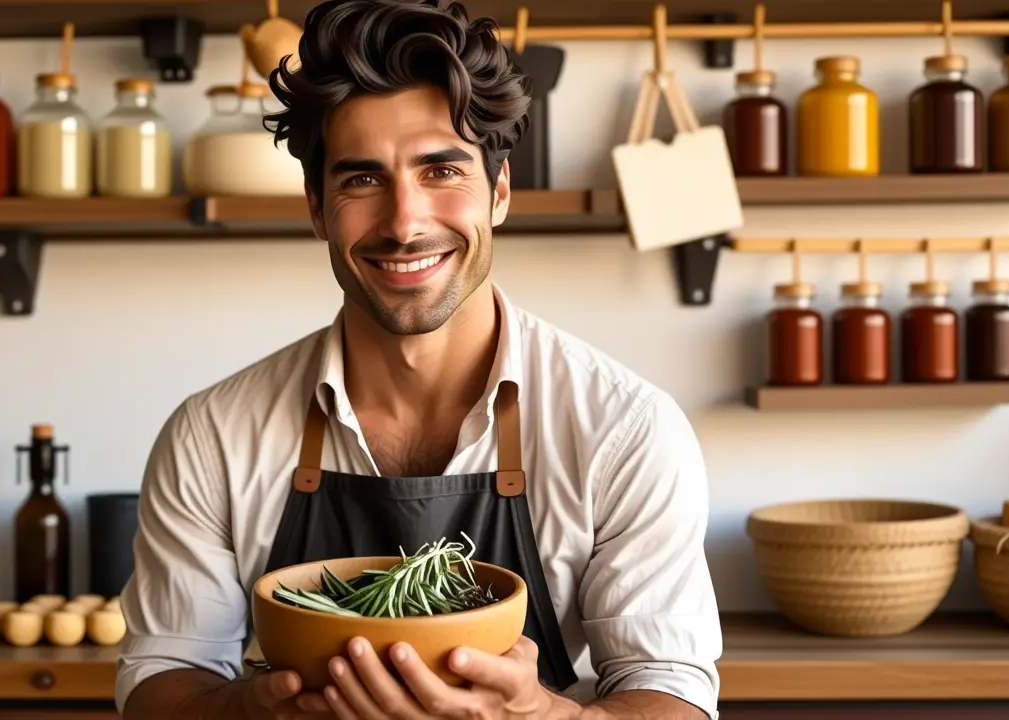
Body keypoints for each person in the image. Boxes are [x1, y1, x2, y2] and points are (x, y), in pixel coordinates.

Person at [115, 0, 722, 718]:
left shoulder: (625, 429)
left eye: (441, 171)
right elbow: (160, 678)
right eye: (362, 179)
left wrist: (538, 714)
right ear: (315, 207)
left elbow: (674, 697)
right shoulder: (214, 434)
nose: (405, 223)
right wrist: (257, 707)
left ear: (498, 193)